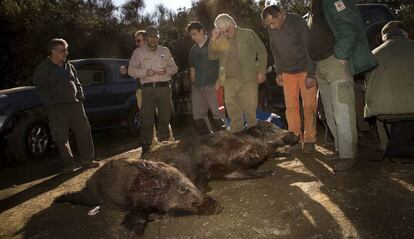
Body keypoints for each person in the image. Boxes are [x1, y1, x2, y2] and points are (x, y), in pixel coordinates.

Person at [307, 0, 378, 171]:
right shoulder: (313, 7)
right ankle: (341, 150)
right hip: (320, 65)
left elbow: (349, 26)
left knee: (342, 108)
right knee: (330, 111)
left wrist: (341, 54)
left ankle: (348, 155)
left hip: (335, 61)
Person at [32, 38, 99, 174]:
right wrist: (50, 103)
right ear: (53, 51)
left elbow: (77, 82)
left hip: (75, 105)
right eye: (63, 50)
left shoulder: (69, 66)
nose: (66, 52)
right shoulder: (44, 68)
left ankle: (88, 160)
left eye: (66, 49)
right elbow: (40, 88)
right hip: (57, 108)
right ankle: (69, 165)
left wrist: (80, 96)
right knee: (61, 137)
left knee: (84, 131)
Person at [262, 5, 317, 153]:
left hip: (305, 70)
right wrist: (279, 72)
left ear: (280, 15)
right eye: (268, 25)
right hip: (287, 73)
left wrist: (311, 74)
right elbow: (275, 51)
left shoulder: (298, 22)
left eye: (272, 23)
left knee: (309, 106)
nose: (271, 27)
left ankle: (310, 140)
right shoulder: (271, 29)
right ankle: (295, 139)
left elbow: (309, 47)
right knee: (291, 108)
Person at [208, 14, 268, 133]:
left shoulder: (248, 34)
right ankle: (237, 139)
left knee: (250, 112)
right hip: (229, 81)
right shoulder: (221, 40)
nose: (226, 33)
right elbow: (211, 56)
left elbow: (262, 52)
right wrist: (213, 39)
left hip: (248, 79)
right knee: (233, 113)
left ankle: (255, 139)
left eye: (227, 30)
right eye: (223, 31)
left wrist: (261, 71)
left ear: (231, 24)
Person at [128, 26, 178, 159]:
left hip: (164, 88)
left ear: (159, 38)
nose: (153, 39)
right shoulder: (138, 52)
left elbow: (175, 68)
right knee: (146, 118)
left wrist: (166, 70)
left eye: (156, 37)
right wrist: (145, 72)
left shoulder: (165, 50)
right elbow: (131, 71)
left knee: (164, 117)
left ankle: (165, 145)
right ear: (146, 38)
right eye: (150, 37)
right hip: (148, 89)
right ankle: (146, 148)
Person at [364, 21, 414, 153]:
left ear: (384, 37)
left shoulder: (373, 55)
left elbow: (368, 88)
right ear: (406, 34)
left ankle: (384, 144)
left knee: (378, 99)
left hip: (384, 113)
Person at [187, 21, 225, 134]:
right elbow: (192, 68)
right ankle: (208, 140)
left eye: (195, 34)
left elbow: (223, 63)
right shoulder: (193, 50)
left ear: (202, 31)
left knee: (218, 113)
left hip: (214, 85)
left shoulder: (214, 43)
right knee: (198, 115)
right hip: (197, 87)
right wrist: (193, 84)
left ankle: (225, 141)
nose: (193, 38)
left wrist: (220, 81)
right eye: (191, 35)